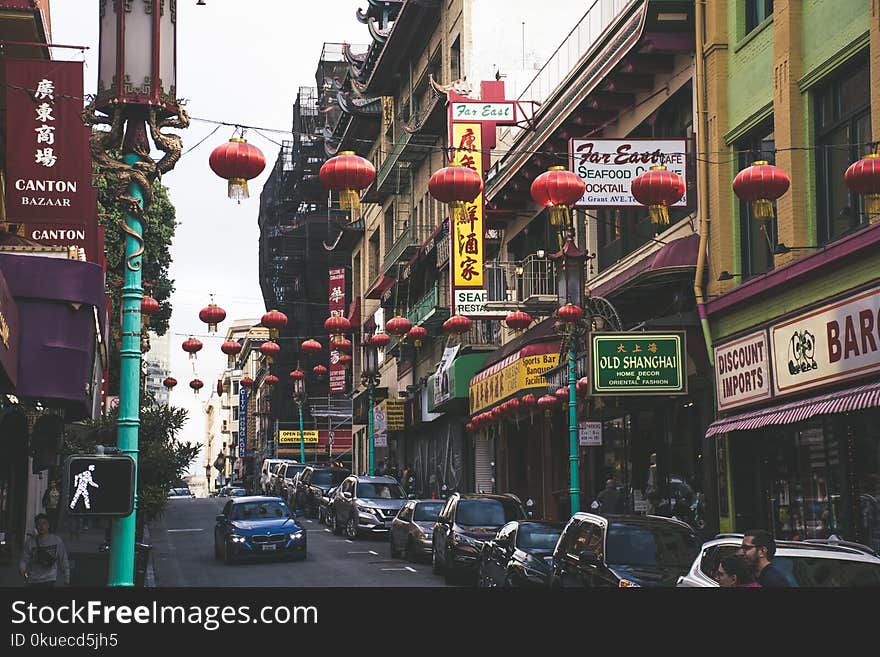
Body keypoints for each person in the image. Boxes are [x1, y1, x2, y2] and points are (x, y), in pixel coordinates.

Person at [19, 513, 69, 588]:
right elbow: (24, 559)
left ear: (48, 525)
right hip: (33, 580)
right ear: (36, 527)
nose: (41, 526)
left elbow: (63, 559)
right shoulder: (30, 543)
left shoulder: (56, 541)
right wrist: (23, 572)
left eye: (44, 523)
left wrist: (67, 577)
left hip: (50, 579)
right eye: (39, 524)